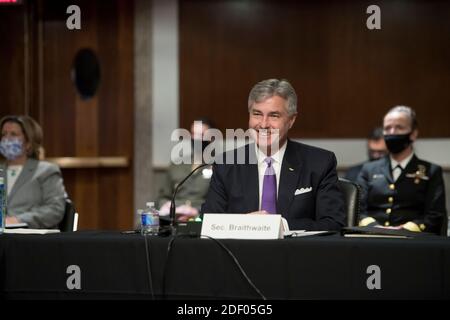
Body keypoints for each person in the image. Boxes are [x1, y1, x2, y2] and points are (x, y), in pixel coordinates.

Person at [201, 79, 345, 231]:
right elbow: (208, 222)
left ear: (291, 120)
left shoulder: (319, 163)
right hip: (240, 252)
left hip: (297, 252)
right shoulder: (226, 163)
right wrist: (245, 224)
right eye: (257, 114)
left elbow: (333, 223)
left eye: (274, 115)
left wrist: (279, 225)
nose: (263, 124)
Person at [357, 106, 447, 234]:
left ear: (413, 134)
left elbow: (435, 215)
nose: (392, 132)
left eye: (399, 127)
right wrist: (374, 227)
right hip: (372, 237)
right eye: (387, 128)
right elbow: (357, 210)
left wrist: (405, 229)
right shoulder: (369, 169)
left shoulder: (431, 171)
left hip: (413, 241)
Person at [0, 115, 66, 229]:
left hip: (31, 238)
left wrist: (18, 220)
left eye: (13, 134)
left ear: (28, 143)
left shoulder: (46, 170)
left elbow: (55, 209)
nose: (7, 138)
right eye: (4, 134)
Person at [157, 118, 214, 221]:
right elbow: (163, 196)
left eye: (201, 135)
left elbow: (221, 203)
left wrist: (196, 211)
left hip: (201, 217)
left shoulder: (219, 166)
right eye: (193, 134)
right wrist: (166, 207)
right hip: (173, 216)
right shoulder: (177, 164)